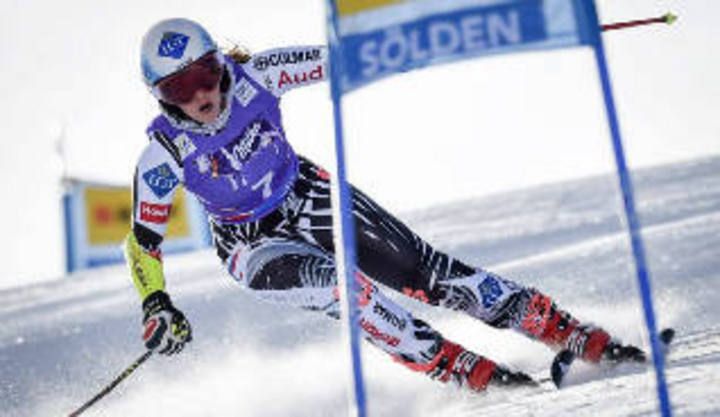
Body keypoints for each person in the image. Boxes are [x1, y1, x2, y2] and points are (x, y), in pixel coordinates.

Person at [126, 17, 646, 393]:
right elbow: (143, 242)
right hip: (250, 245)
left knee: (427, 273)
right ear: (161, 97)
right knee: (344, 290)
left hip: (304, 192)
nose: (200, 94)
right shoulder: (164, 153)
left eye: (205, 73)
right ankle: (461, 369)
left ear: (221, 63)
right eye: (180, 86)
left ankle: (565, 333)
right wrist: (156, 303)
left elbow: (346, 60)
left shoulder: (259, 75)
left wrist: (433, 44)